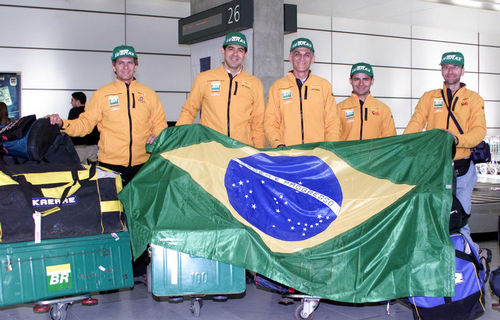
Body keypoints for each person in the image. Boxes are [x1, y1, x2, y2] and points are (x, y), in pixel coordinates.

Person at [47, 45, 167, 185]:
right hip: (110, 166)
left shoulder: (149, 94)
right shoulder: (102, 94)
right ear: (113, 66)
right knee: (113, 207)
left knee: (141, 207)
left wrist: (158, 133)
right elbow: (84, 124)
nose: (125, 67)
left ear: (135, 66)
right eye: (120, 63)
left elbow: (160, 123)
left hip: (143, 165)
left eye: (129, 62)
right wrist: (62, 123)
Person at [404, 51, 486, 254]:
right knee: (432, 217)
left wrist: (457, 139)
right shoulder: (429, 98)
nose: (450, 71)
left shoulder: (473, 100)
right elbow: (415, 125)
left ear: (462, 70)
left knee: (460, 219)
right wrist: (405, 145)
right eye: (446, 66)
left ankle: (469, 265)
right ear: (441, 69)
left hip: (463, 170)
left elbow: (479, 131)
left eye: (455, 67)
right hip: (435, 169)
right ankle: (435, 262)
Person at [176, 32, 265, 148]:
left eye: (240, 50)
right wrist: (177, 139)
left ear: (245, 54)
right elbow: (188, 111)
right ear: (223, 51)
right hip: (211, 149)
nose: (235, 54)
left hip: (241, 151)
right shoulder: (204, 78)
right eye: (231, 48)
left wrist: (258, 153)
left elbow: (258, 123)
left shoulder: (255, 83)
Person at [264, 38, 340, 148]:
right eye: (297, 54)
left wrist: (330, 146)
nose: (302, 58)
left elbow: (332, 121)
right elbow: (270, 122)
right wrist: (278, 144)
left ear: (313, 59)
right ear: (290, 58)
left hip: (317, 153)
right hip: (287, 153)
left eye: (307, 55)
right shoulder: (277, 87)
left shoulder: (324, 86)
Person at [337, 63, 396, 140]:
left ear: (372, 81)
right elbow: (333, 140)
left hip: (375, 152)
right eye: (356, 79)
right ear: (350, 81)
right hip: (347, 152)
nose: (361, 83)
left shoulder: (383, 109)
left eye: (365, 79)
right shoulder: (339, 109)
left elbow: (390, 141)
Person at [67, 92, 100, 164]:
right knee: (94, 168)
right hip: (93, 146)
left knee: (79, 169)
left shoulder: (73, 111)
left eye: (72, 100)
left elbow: (71, 128)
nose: (70, 102)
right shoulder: (90, 111)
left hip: (79, 147)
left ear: (78, 102)